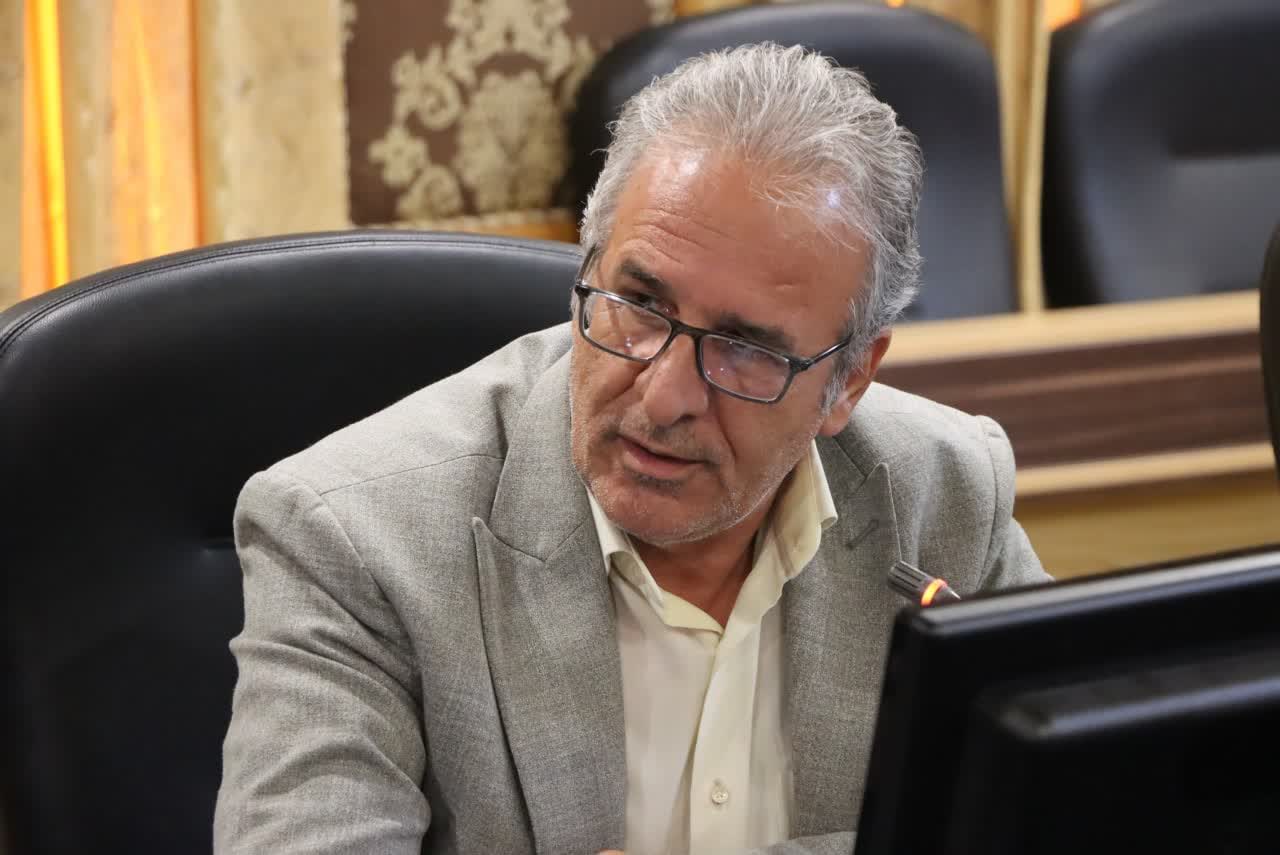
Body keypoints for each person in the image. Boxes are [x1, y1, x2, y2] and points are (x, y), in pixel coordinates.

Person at [214, 43, 1050, 855]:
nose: (663, 396)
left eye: (745, 349)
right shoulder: (357, 539)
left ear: (849, 380)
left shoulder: (946, 496)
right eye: (640, 304)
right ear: (589, 266)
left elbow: (1069, 817)